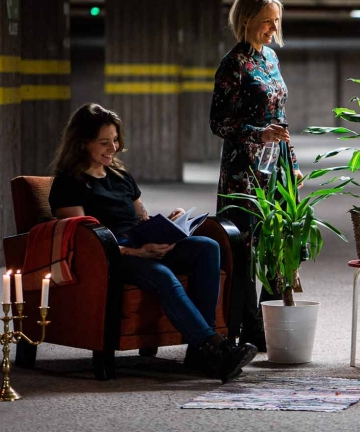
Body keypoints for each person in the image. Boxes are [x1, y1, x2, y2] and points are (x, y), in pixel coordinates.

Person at [48, 103, 257, 383]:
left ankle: (200, 353)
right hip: (111, 255)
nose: (113, 148)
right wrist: (136, 252)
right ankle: (213, 346)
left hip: (141, 242)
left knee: (208, 247)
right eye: (104, 142)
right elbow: (81, 239)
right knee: (162, 274)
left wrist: (169, 224)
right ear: (82, 142)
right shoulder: (68, 183)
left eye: (115, 140)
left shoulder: (120, 176)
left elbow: (140, 219)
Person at [211, 0, 302, 350]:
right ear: (246, 20)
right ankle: (249, 327)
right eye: (266, 21)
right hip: (243, 171)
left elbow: (281, 117)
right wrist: (257, 133)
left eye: (276, 20)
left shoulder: (271, 60)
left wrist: (291, 163)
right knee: (245, 249)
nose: (273, 28)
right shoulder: (232, 64)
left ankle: (269, 321)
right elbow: (219, 122)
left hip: (275, 166)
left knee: (277, 242)